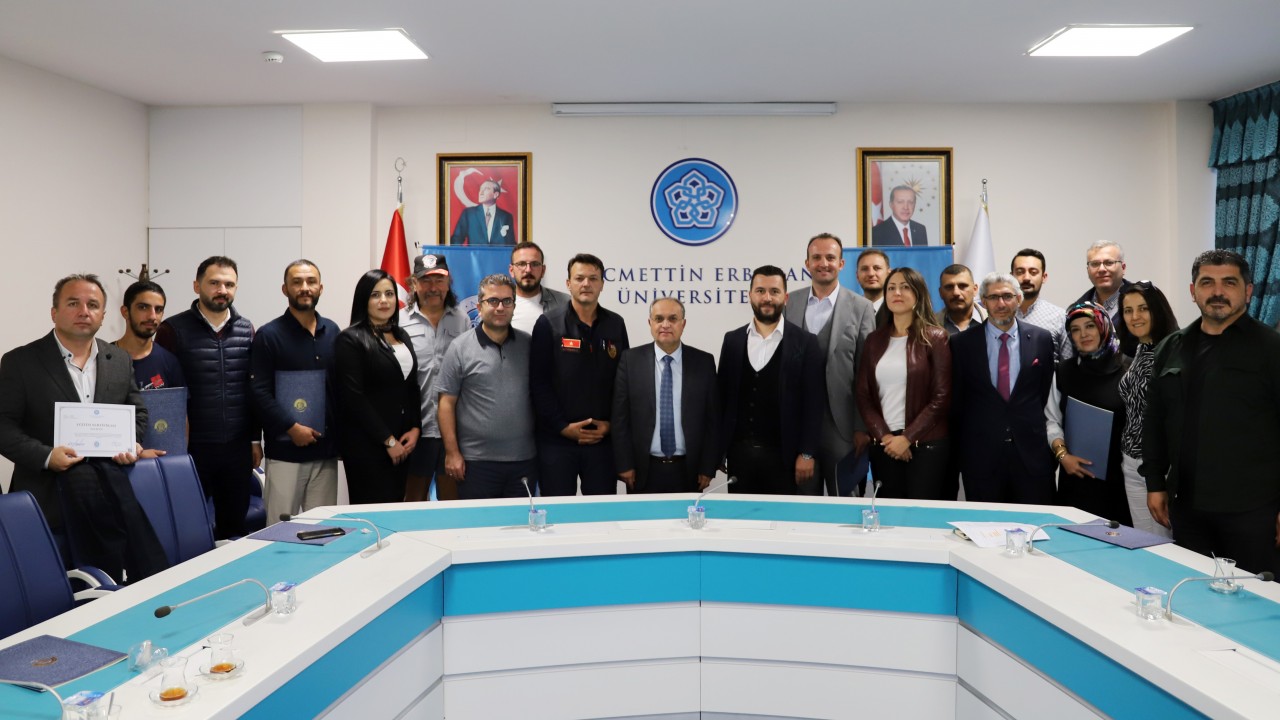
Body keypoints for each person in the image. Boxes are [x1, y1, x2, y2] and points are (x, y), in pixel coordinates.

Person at [0, 274, 167, 582]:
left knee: (124, 582)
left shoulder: (119, 359)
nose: (84, 311)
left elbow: (138, 413)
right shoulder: (20, 362)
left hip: (111, 494)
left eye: (93, 305)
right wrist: (47, 456)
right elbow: (4, 426)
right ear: (54, 312)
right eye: (73, 303)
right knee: (59, 593)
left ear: (103, 315)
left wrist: (129, 442)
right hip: (47, 502)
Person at [1143, 250, 1280, 576]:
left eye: (1229, 282)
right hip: (1188, 508)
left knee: (1254, 597)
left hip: (1253, 511)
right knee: (1193, 591)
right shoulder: (1171, 347)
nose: (1218, 292)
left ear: (1248, 290)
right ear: (1193, 291)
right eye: (1207, 283)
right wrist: (1155, 483)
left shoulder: (1271, 349)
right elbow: (1155, 421)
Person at [156, 256, 259, 540]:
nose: (222, 290)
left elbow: (253, 389)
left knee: (234, 529)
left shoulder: (247, 329)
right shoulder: (171, 330)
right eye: (214, 283)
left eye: (229, 284)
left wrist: (254, 440)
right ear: (196, 286)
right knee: (188, 530)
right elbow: (163, 394)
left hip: (237, 448)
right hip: (192, 449)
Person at [950, 273, 1057, 504]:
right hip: (981, 457)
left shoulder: (1041, 339)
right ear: (983, 302)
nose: (1001, 303)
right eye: (993, 297)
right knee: (985, 523)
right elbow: (957, 401)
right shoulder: (961, 344)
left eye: (1007, 296)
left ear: (1018, 299)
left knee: (1034, 522)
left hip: (1031, 455)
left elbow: (1045, 393)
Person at [717, 266, 824, 495]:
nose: (767, 298)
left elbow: (814, 403)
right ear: (750, 296)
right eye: (760, 291)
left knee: (782, 516)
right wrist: (719, 450)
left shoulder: (806, 342)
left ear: (785, 297)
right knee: (740, 516)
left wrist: (807, 453)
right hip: (740, 457)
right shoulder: (732, 340)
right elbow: (722, 399)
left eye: (774, 291)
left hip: (785, 458)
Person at [784, 233, 875, 496]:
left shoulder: (862, 307)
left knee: (845, 503)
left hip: (843, 428)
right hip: (798, 426)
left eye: (830, 258)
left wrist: (861, 426)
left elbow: (866, 372)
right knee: (802, 505)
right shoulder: (789, 303)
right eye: (816, 258)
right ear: (807, 263)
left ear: (841, 264)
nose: (823, 263)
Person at [531, 253, 629, 496]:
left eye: (593, 278)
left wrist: (610, 425)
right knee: (557, 512)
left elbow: (624, 383)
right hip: (557, 441)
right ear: (568, 283)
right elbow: (538, 383)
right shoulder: (548, 323)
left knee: (601, 513)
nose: (586, 284)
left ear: (602, 284)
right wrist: (562, 427)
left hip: (602, 442)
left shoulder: (616, 324)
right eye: (579, 278)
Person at [249, 260, 340, 524]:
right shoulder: (269, 335)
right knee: (279, 531)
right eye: (297, 282)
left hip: (325, 454)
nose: (304, 287)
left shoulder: (333, 331)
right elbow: (258, 391)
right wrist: (291, 427)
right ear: (285, 289)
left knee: (322, 529)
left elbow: (338, 390)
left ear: (321, 288)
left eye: (311, 281)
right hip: (285, 453)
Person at [436, 275, 537, 500]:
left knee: (521, 521)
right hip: (476, 462)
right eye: (493, 301)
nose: (500, 307)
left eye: (507, 301)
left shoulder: (529, 345)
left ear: (514, 306)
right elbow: (446, 404)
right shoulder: (459, 347)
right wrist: (452, 453)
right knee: (479, 523)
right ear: (480, 306)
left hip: (524, 461)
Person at [855, 267, 951, 499]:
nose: (897, 293)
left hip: (926, 446)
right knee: (889, 515)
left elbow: (942, 397)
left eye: (905, 287)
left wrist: (907, 438)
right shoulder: (874, 340)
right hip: (885, 446)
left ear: (918, 294)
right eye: (891, 288)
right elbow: (863, 395)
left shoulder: (935, 337)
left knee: (921, 515)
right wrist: (886, 437)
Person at [613, 297, 720, 493]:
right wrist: (624, 464)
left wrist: (708, 467)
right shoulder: (630, 360)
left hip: (689, 470)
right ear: (650, 323)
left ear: (683, 324)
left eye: (673, 318)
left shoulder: (704, 362)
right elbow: (620, 418)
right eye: (659, 318)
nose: (665, 325)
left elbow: (712, 420)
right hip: (642, 470)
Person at [335, 270, 421, 504]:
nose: (384, 300)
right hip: (368, 445)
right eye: (376, 295)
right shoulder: (350, 339)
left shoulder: (402, 335)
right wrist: (388, 440)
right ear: (364, 299)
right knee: (371, 511)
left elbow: (411, 387)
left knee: (396, 508)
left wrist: (415, 427)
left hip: (403, 443)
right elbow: (354, 398)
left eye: (389, 294)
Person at [1046, 302, 1132, 527]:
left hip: (1121, 481)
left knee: (1118, 540)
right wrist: (1063, 456)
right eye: (1075, 329)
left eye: (1090, 326)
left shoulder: (1129, 370)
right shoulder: (1064, 371)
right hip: (1075, 477)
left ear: (1104, 327)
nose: (1083, 334)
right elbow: (1052, 420)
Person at [401, 253, 471, 501]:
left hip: (453, 433)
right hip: (414, 432)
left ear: (448, 282)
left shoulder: (462, 320)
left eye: (439, 280)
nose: (433, 287)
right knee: (412, 504)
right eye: (426, 280)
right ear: (413, 283)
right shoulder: (399, 322)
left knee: (452, 506)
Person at [1115, 282, 1177, 537]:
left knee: (1165, 543)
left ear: (1157, 310)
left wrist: (1159, 472)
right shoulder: (1141, 348)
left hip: (1159, 466)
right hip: (1131, 462)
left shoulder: (1173, 352)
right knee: (1144, 541)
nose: (1135, 317)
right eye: (1128, 310)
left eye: (1143, 308)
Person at [113, 280, 185, 390]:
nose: (152, 316)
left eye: (158, 309)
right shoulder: (102, 359)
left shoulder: (170, 363)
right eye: (143, 307)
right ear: (125, 312)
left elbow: (178, 401)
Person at [1011, 249, 1069, 360]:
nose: (1026, 278)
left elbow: (1068, 364)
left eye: (1033, 272)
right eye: (1020, 272)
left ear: (1044, 277)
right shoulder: (999, 315)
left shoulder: (1060, 317)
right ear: (1011, 277)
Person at [1075, 241, 1132, 347]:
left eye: (1109, 263)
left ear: (1123, 268)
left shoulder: (1144, 300)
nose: (1101, 269)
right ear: (1088, 270)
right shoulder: (1078, 308)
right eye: (1095, 264)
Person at [509, 241, 569, 335]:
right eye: (521, 264)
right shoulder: (499, 305)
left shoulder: (565, 303)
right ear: (512, 270)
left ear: (543, 270)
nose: (528, 270)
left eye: (535, 264)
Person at [449, 179, 515, 246]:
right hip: (474, 253)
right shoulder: (469, 214)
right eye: (480, 189)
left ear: (495, 194)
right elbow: (456, 240)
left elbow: (510, 244)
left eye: (486, 189)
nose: (481, 192)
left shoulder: (506, 216)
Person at [935, 264, 986, 335]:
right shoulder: (927, 327)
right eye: (949, 287)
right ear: (941, 293)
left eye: (962, 286)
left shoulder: (995, 322)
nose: (956, 293)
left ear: (975, 290)